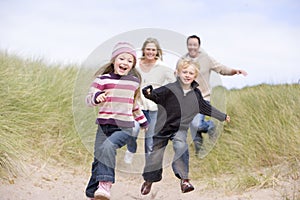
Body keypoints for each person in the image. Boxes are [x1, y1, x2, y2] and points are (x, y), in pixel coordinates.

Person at [140, 58, 230, 195]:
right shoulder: (169, 89)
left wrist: (222, 116)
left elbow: (204, 107)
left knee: (181, 147)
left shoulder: (195, 93)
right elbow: (154, 96)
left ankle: (184, 180)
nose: (187, 75)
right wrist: (148, 92)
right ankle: (149, 180)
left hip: (179, 129)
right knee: (155, 156)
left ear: (195, 76)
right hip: (162, 128)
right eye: (184, 72)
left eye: (191, 73)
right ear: (177, 73)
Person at [84, 42, 149, 200]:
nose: (125, 63)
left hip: (124, 127)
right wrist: (96, 97)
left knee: (108, 147)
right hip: (104, 126)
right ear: (114, 60)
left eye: (129, 60)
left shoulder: (133, 82)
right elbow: (88, 99)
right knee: (99, 156)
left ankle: (105, 185)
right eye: (122, 58)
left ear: (133, 64)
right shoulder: (102, 80)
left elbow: (133, 104)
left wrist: (143, 122)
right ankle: (94, 193)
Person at [182, 35, 247, 156]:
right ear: (187, 46)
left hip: (203, 97)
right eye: (190, 44)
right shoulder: (182, 60)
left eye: (194, 45)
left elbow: (221, 69)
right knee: (193, 128)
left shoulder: (206, 59)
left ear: (198, 46)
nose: (192, 47)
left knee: (197, 124)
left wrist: (235, 71)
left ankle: (211, 126)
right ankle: (200, 154)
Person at [124, 37, 176, 164]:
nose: (150, 52)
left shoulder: (163, 67)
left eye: (153, 50)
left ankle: (149, 168)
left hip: (154, 108)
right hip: (137, 105)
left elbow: (174, 83)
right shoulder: (135, 65)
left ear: (157, 51)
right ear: (143, 50)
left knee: (150, 139)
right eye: (148, 49)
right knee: (133, 130)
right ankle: (131, 149)